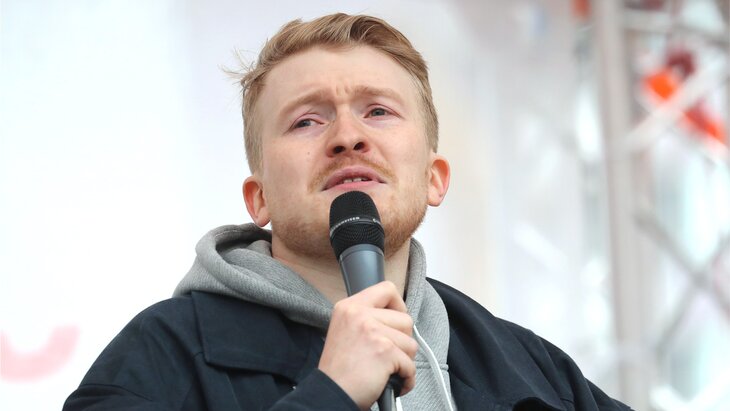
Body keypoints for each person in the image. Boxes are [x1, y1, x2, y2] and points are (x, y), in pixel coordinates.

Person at [64, 13, 631, 411]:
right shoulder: (162, 355)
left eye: (378, 111)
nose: (347, 136)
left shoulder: (531, 371)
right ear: (258, 199)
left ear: (435, 179)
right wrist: (330, 394)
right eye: (306, 121)